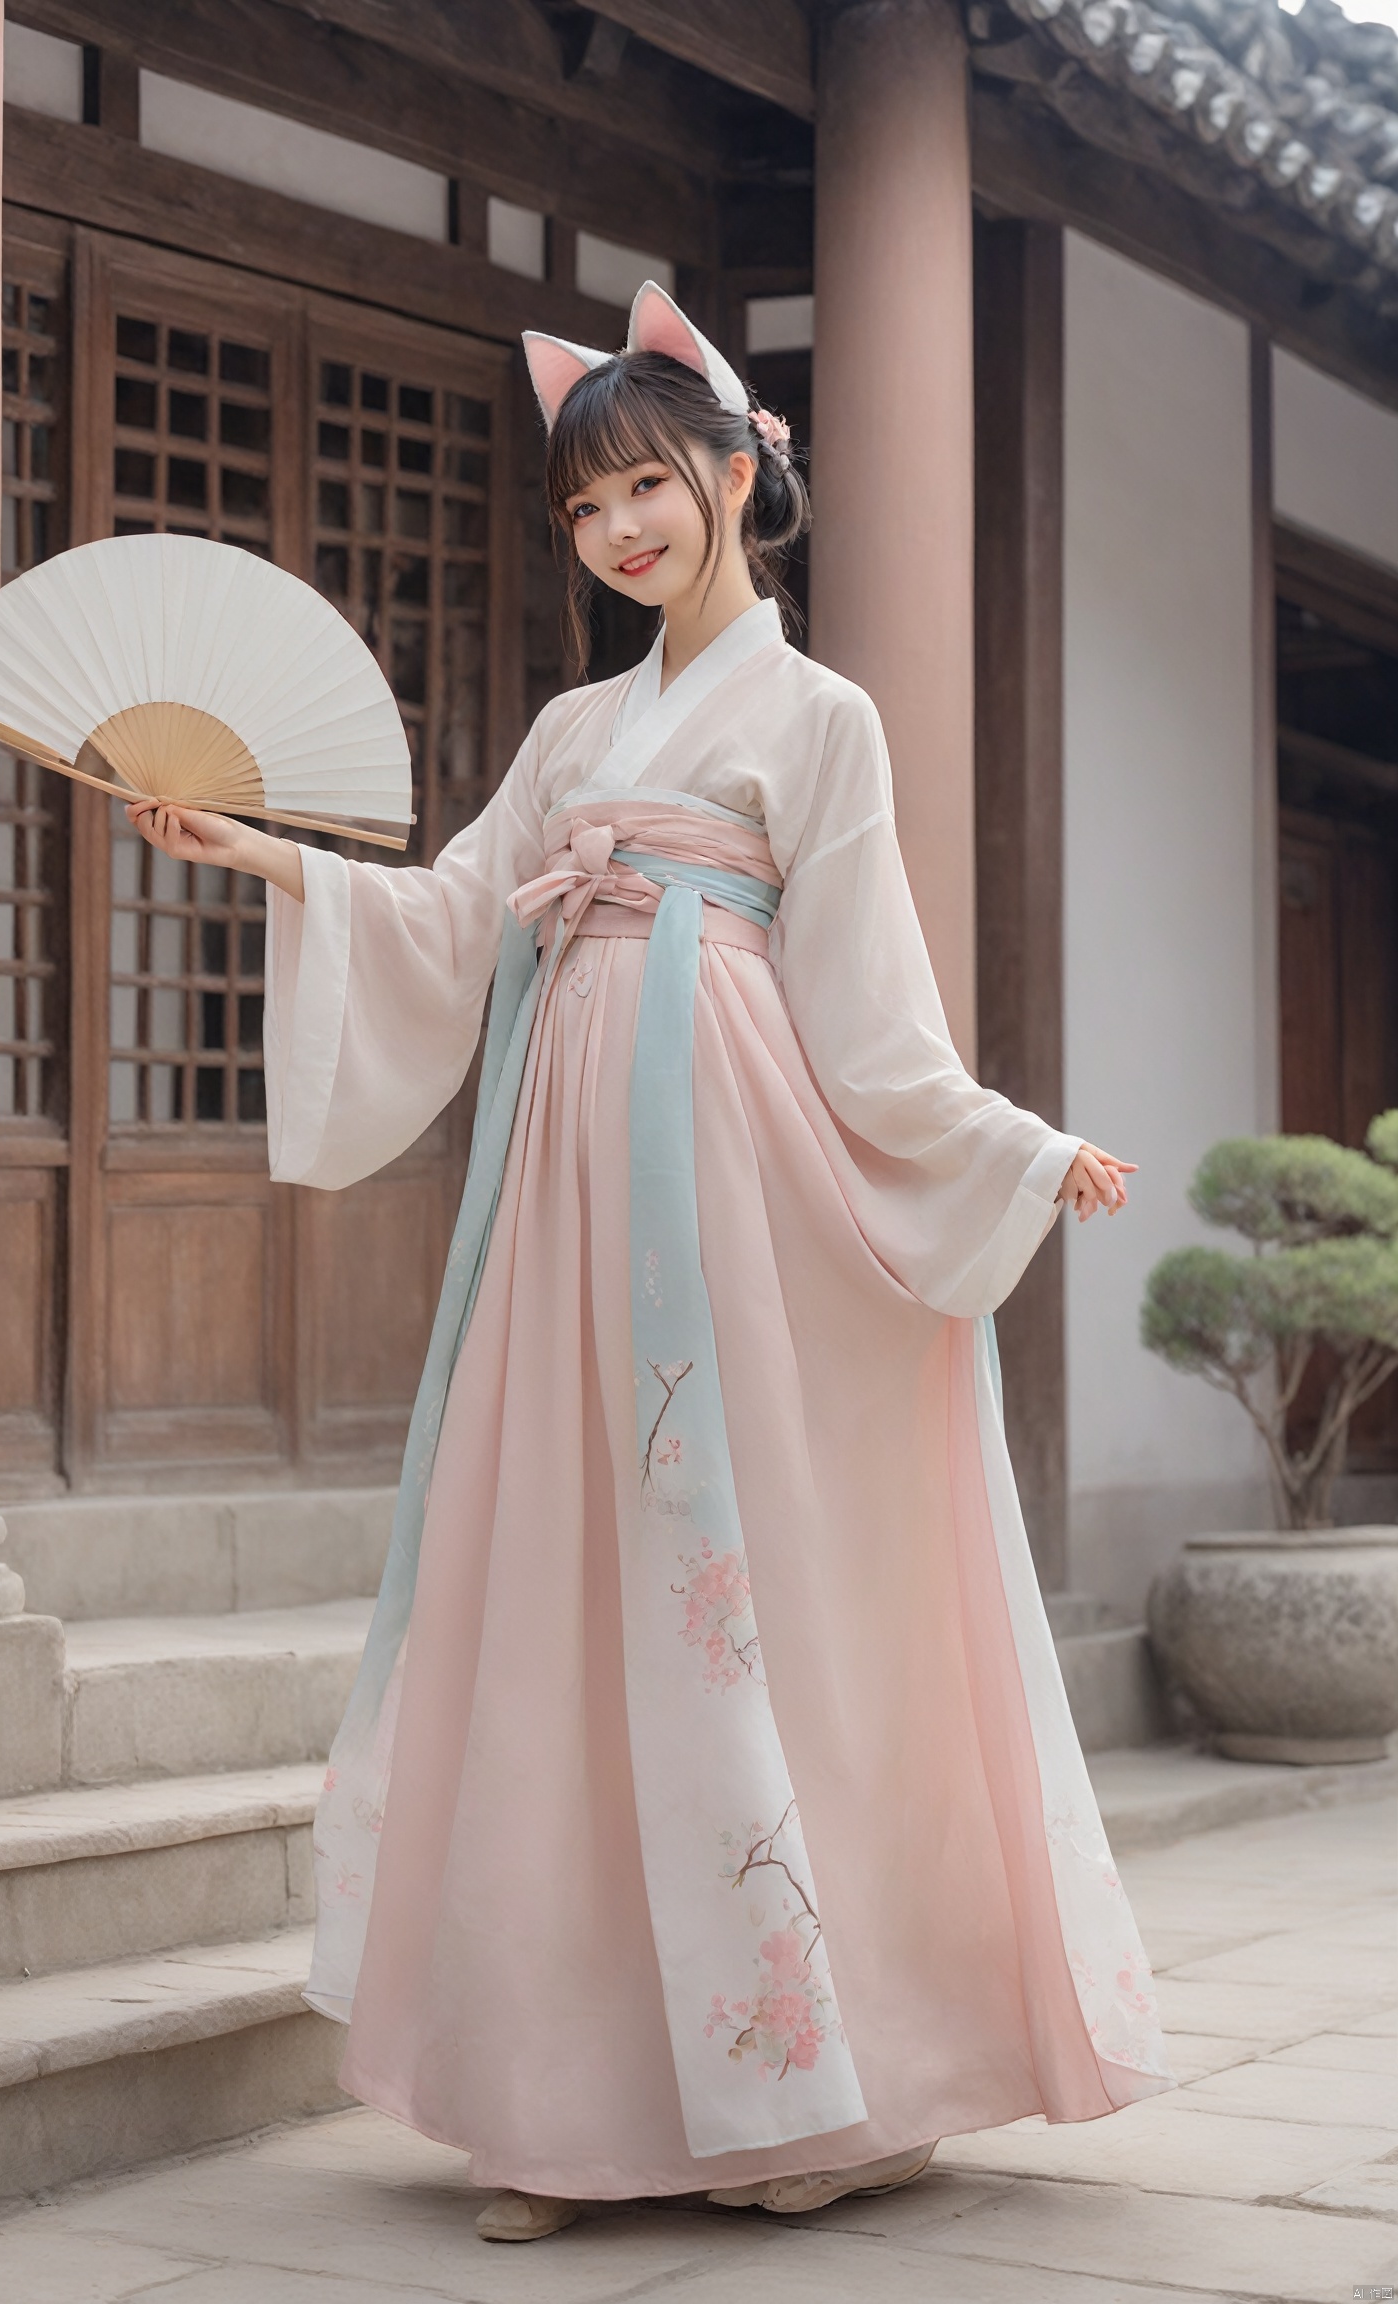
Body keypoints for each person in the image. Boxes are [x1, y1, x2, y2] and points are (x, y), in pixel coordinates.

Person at [127, 283, 1172, 2244]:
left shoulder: (819, 717)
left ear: (736, 476)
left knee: (754, 1590)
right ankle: (560, 2108)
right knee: (566, 1599)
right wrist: (254, 850)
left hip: (746, 1192)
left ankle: (833, 2101)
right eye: (586, 502)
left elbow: (874, 1013)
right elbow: (453, 917)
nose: (620, 527)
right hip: (571, 1197)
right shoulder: (571, 729)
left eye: (649, 483)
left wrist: (1013, 1148)